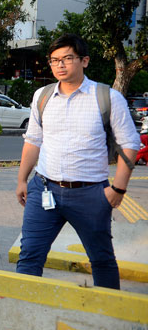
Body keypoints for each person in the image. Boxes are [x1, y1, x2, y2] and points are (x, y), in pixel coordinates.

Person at [15, 34, 139, 290]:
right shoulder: (43, 96)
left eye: (67, 59)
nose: (60, 65)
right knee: (28, 257)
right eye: (54, 60)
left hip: (91, 194)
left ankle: (108, 318)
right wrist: (21, 179)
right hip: (44, 190)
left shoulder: (107, 97)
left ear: (84, 61)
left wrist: (118, 189)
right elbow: (33, 140)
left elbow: (130, 143)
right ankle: (23, 314)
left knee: (102, 260)